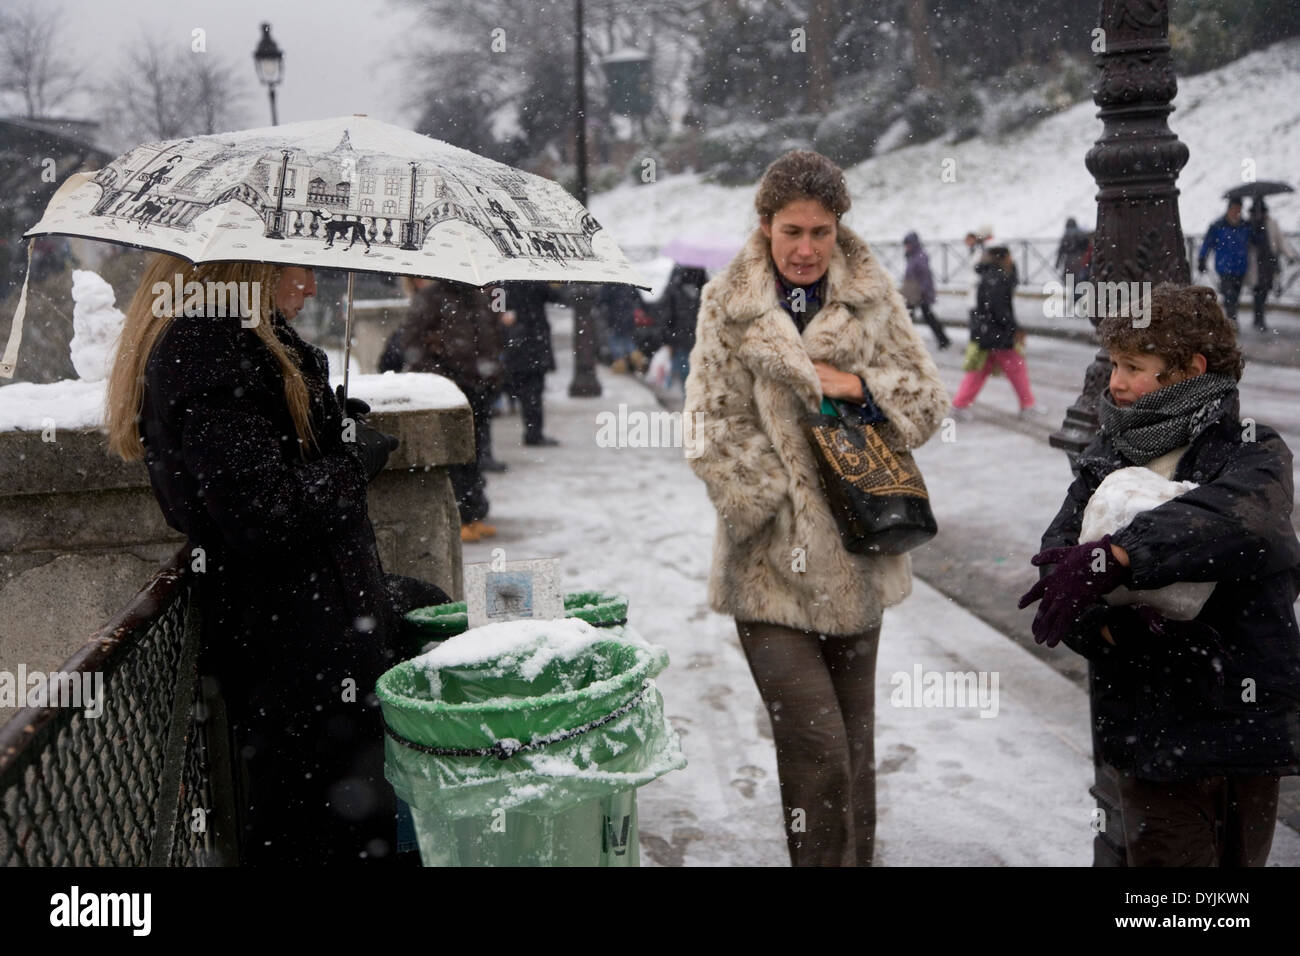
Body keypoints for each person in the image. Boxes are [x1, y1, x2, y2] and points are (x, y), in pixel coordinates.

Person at [105, 253, 449, 865]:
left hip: (308, 638)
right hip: (293, 653)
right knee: (320, 830)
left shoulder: (235, 339)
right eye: (298, 270)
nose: (312, 286)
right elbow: (263, 513)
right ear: (246, 271)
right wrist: (350, 465)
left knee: (340, 822)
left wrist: (332, 429)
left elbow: (267, 464)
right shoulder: (207, 349)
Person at [683, 149, 949, 867]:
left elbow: (926, 403)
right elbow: (709, 426)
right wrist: (776, 503)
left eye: (821, 232)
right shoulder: (727, 303)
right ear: (765, 226)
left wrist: (859, 386)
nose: (806, 249)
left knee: (853, 753)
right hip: (766, 569)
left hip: (858, 559)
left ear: (839, 229)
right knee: (817, 748)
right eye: (792, 231)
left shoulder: (872, 295)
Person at [1019, 283, 1300, 867]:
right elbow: (1061, 565)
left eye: (1132, 367)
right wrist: (1109, 630)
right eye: (1114, 363)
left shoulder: (1251, 451)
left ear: (1190, 370)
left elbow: (1241, 523)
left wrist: (1121, 556)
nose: (1113, 382)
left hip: (1243, 720)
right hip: (1153, 725)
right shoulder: (1108, 456)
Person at [395, 277, 503, 541]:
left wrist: (491, 374)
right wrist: (443, 377)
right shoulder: (430, 298)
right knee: (455, 455)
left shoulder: (478, 299)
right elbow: (412, 345)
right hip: (450, 390)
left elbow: (490, 338)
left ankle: (475, 512)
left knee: (476, 451)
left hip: (477, 388)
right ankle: (460, 516)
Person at [950, 245, 1045, 418]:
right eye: (1010, 257)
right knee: (1016, 368)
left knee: (980, 370)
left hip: (987, 332)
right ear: (1003, 258)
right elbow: (1001, 310)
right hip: (998, 333)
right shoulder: (997, 278)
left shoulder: (988, 276)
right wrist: (1015, 329)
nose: (1012, 260)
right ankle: (1027, 405)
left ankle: (959, 404)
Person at [497, 280, 562, 446]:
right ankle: (534, 433)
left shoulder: (504, 283)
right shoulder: (533, 280)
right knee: (533, 391)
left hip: (516, 344)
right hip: (533, 343)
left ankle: (532, 431)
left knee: (526, 389)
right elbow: (558, 298)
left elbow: (498, 309)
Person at [1245, 198, 1298, 332]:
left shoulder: (1271, 224)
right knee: (1258, 291)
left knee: (1264, 290)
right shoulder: (1249, 225)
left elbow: (1280, 240)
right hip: (1255, 264)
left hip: (1268, 263)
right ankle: (1259, 318)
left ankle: (1259, 317)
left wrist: (1290, 255)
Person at [1197, 198, 1251, 326]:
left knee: (1236, 295)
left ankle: (1232, 319)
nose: (1236, 212)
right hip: (1224, 266)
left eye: (1239, 210)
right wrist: (1202, 258)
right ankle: (1232, 321)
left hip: (1240, 266)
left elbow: (1255, 240)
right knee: (1229, 295)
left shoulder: (1245, 225)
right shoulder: (1217, 225)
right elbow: (1207, 243)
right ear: (1229, 209)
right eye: (1234, 209)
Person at [658, 263, 707, 390]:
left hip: (680, 339)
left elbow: (666, 316)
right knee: (700, 377)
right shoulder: (706, 287)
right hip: (701, 340)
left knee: (686, 377)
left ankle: (688, 403)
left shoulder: (674, 287)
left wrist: (666, 339)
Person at [901, 231, 950, 350]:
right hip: (912, 292)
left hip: (918, 292)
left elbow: (925, 276)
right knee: (913, 316)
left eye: (908, 244)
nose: (906, 246)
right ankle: (942, 339)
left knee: (913, 317)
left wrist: (924, 291)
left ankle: (942, 339)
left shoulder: (919, 256)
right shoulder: (913, 255)